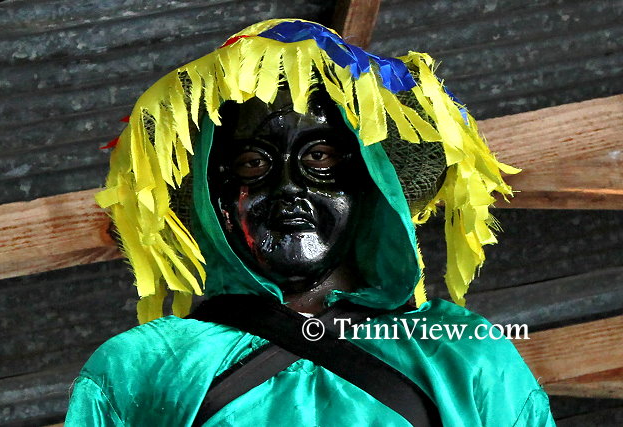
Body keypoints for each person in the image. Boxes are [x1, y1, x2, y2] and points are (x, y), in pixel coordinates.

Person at [66, 19, 555, 426]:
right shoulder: (140, 371)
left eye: (320, 157)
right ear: (214, 200)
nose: (288, 188)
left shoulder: (465, 359)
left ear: (370, 186)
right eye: (253, 164)